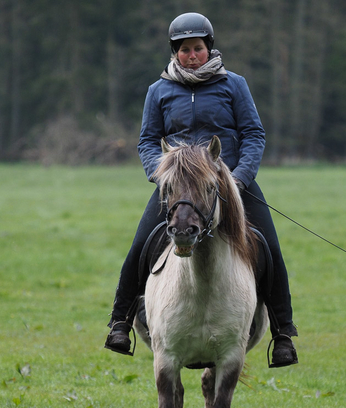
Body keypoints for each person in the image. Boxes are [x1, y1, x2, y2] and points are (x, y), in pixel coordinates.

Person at [104, 12, 298, 367]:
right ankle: (119, 323)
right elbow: (147, 140)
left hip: (232, 184)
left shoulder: (234, 84)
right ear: (175, 52)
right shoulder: (158, 90)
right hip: (177, 187)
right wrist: (159, 174)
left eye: (197, 48)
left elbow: (254, 134)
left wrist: (238, 178)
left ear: (209, 48)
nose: (191, 55)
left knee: (269, 249)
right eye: (184, 50)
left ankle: (283, 334)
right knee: (139, 246)